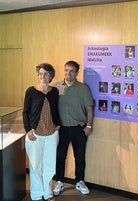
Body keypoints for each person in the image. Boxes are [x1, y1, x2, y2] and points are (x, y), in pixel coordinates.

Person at [53, 60, 94, 196]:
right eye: (66, 70)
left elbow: (89, 108)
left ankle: (79, 181)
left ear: (76, 72)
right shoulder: (56, 88)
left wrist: (89, 126)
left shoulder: (83, 89)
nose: (68, 73)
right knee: (60, 157)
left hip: (79, 129)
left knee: (80, 157)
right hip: (61, 129)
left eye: (71, 71)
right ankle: (59, 181)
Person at [23, 63, 60, 201]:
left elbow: (57, 109)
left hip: (51, 132)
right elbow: (25, 112)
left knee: (49, 164)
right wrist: (28, 130)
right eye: (40, 73)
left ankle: (48, 192)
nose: (42, 76)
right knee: (35, 164)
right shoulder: (31, 91)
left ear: (51, 76)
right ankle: (37, 194)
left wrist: (58, 125)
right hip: (35, 134)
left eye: (45, 73)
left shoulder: (54, 91)